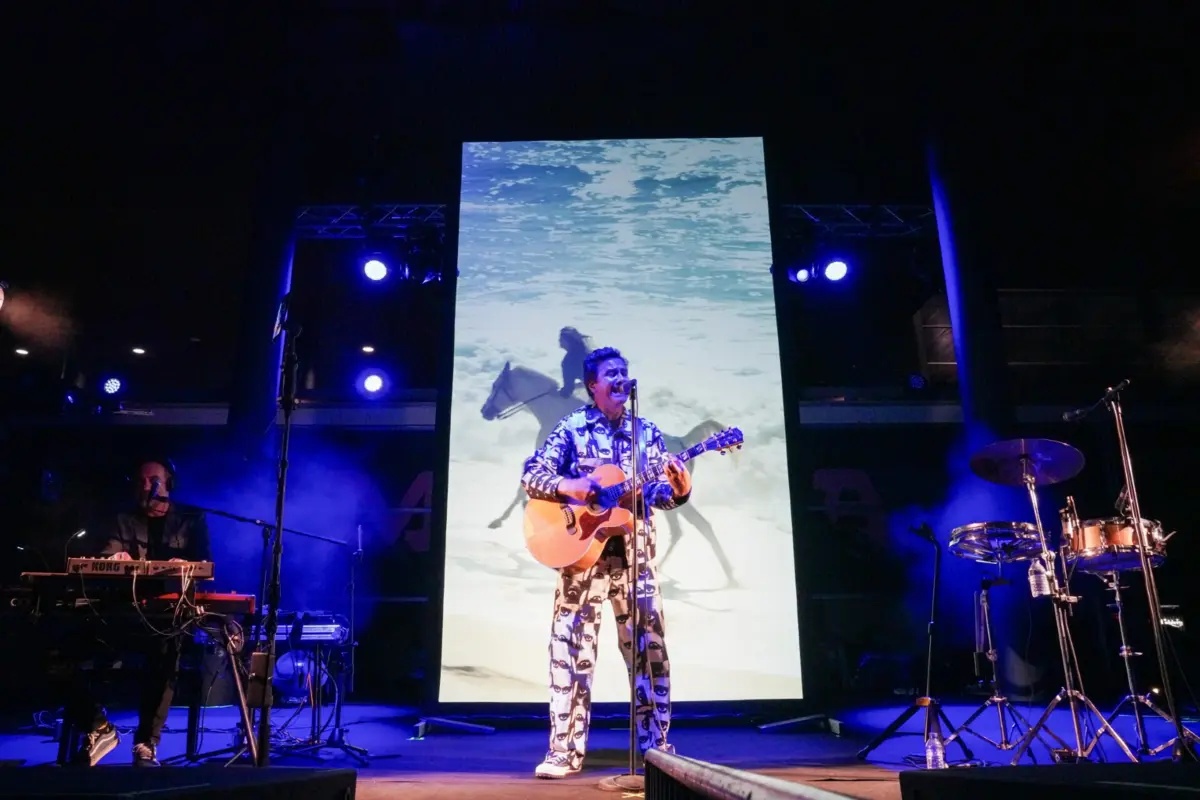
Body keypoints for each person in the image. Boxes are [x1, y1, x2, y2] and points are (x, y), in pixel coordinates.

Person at [521, 347, 692, 779]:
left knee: (649, 654)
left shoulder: (645, 432)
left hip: (635, 562)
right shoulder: (572, 427)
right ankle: (564, 752)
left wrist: (679, 489)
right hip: (581, 562)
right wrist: (572, 487)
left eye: (624, 372)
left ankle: (657, 751)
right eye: (610, 374)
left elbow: (656, 496)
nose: (620, 379)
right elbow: (532, 476)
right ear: (592, 386)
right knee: (570, 654)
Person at [71, 457, 212, 767]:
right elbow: (108, 555)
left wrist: (184, 566)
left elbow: (204, 563)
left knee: (166, 651)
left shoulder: (191, 518)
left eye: (153, 480)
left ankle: (146, 743)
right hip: (122, 614)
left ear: (169, 485)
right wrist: (116, 557)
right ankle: (98, 727)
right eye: (141, 481)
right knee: (64, 653)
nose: (145, 486)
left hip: (168, 617)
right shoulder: (123, 519)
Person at [557, 326, 594, 397]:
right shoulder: (588, 351)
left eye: (561, 339)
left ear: (568, 341)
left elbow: (567, 391)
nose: (559, 341)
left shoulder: (569, 361)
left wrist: (556, 394)